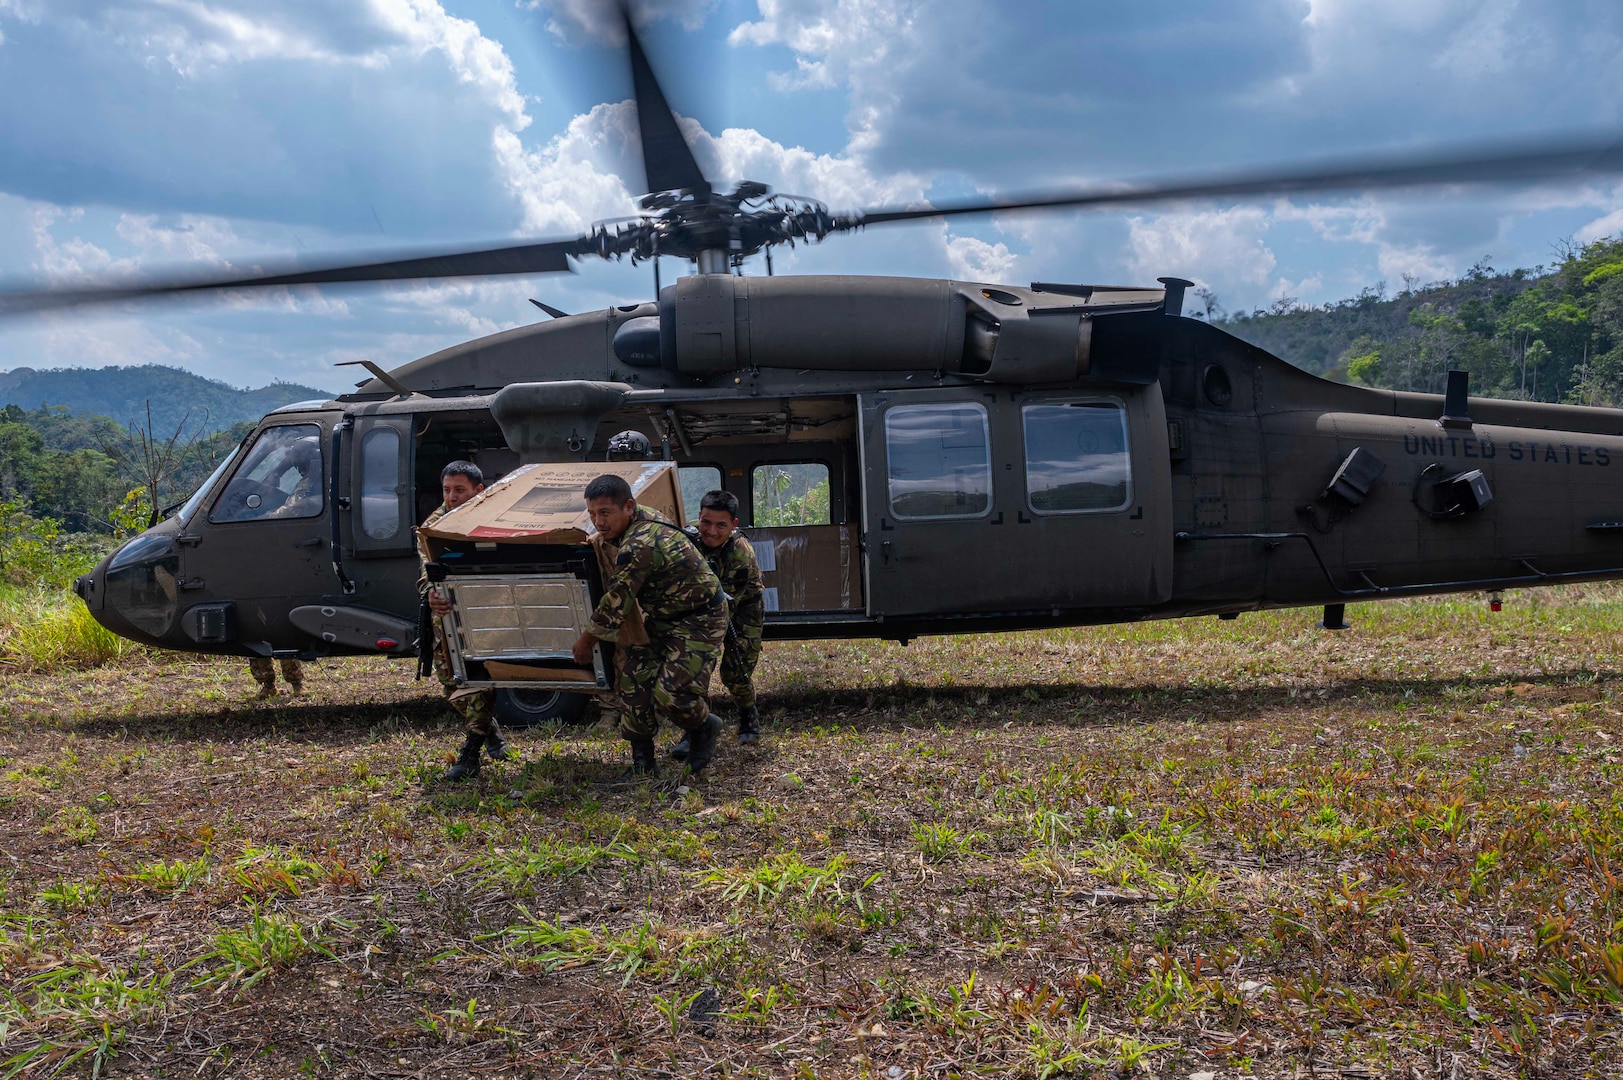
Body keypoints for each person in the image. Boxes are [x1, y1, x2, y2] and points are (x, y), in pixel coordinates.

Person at [571, 473, 727, 779]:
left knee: (672, 695)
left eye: (605, 513)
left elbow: (616, 601)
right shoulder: (639, 517)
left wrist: (586, 642)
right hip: (663, 617)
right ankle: (643, 761)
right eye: (591, 514)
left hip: (700, 618)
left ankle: (705, 727)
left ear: (628, 507)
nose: (598, 522)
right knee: (633, 682)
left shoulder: (638, 544)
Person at [420, 460, 509, 781]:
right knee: (450, 687)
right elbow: (425, 568)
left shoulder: (496, 517)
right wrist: (430, 591)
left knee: (481, 681)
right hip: (446, 618)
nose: (452, 496)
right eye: (447, 490)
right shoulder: (434, 523)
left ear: (478, 491)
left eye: (459, 490)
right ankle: (492, 734)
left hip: (486, 615)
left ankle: (470, 753)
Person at [671, 489, 764, 761]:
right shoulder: (687, 541)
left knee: (736, 672)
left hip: (742, 606)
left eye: (721, 525)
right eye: (706, 522)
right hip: (702, 607)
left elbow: (724, 604)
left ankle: (748, 712)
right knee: (696, 668)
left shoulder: (740, 553)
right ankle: (696, 728)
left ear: (733, 525)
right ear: (698, 517)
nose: (711, 531)